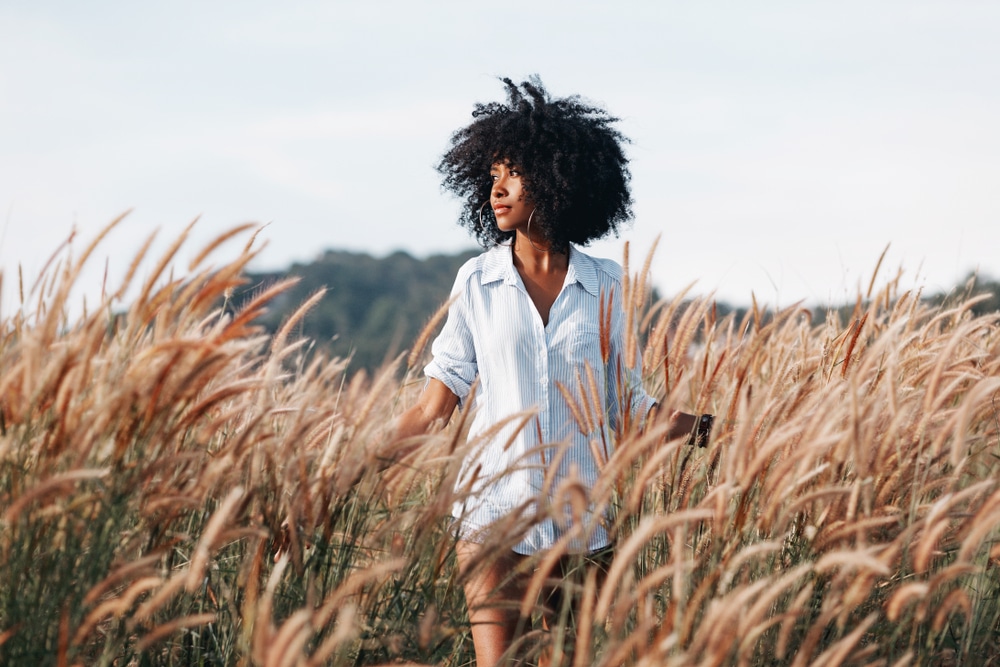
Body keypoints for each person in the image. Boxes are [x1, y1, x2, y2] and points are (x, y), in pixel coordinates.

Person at [378, 76, 711, 666]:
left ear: (558, 177)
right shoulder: (477, 281)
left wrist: (711, 429)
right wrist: (361, 464)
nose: (497, 189)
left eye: (513, 174)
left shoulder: (607, 283)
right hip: (491, 518)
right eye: (491, 176)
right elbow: (435, 407)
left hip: (581, 525)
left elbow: (628, 404)